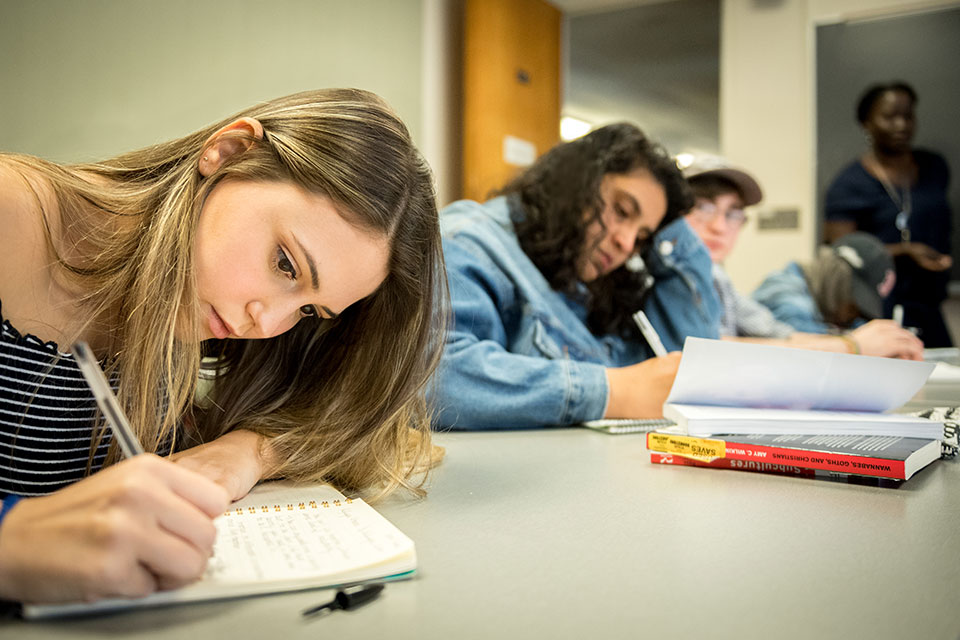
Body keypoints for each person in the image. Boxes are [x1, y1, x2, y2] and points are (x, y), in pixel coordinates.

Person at [0, 88, 446, 604]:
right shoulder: (10, 211)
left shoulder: (190, 307)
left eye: (308, 312)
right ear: (230, 153)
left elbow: (367, 424)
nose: (267, 321)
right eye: (285, 264)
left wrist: (244, 453)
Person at [431, 123, 720, 430]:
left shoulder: (597, 283)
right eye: (621, 211)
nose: (626, 243)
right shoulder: (470, 239)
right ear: (574, 183)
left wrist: (670, 238)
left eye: (642, 238)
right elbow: (431, 376)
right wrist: (612, 392)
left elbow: (689, 370)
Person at [683, 156, 922, 360]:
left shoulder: (716, 277)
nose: (720, 226)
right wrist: (852, 346)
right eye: (703, 207)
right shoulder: (675, 274)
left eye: (733, 213)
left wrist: (868, 343)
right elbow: (709, 353)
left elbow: (776, 332)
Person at [824, 81, 953, 347]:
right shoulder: (849, 185)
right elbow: (842, 248)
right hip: (877, 307)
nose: (901, 126)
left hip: (930, 305)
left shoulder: (933, 168)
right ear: (866, 123)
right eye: (890, 117)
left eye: (907, 116)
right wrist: (906, 250)